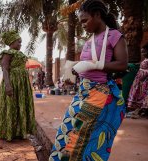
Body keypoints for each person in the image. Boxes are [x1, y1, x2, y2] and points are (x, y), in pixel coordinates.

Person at [49, 0, 128, 161]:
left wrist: (94, 65)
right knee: (68, 133)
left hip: (99, 94)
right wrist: (77, 71)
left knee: (86, 139)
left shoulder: (114, 35)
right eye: (80, 22)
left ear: (97, 15)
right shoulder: (90, 40)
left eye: (85, 20)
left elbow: (122, 64)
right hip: (83, 92)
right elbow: (89, 66)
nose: (83, 25)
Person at [0, 30, 36, 141]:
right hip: (13, 82)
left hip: (22, 85)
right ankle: (10, 133)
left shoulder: (19, 53)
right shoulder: (7, 53)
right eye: (18, 42)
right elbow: (4, 68)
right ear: (11, 42)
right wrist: (8, 85)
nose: (20, 44)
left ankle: (19, 132)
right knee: (12, 106)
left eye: (21, 42)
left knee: (21, 106)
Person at [127, 43, 148, 118]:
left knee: (144, 96)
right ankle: (138, 111)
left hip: (145, 82)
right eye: (142, 52)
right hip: (140, 82)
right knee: (139, 96)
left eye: (144, 52)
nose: (142, 54)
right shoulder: (145, 59)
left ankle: (141, 111)